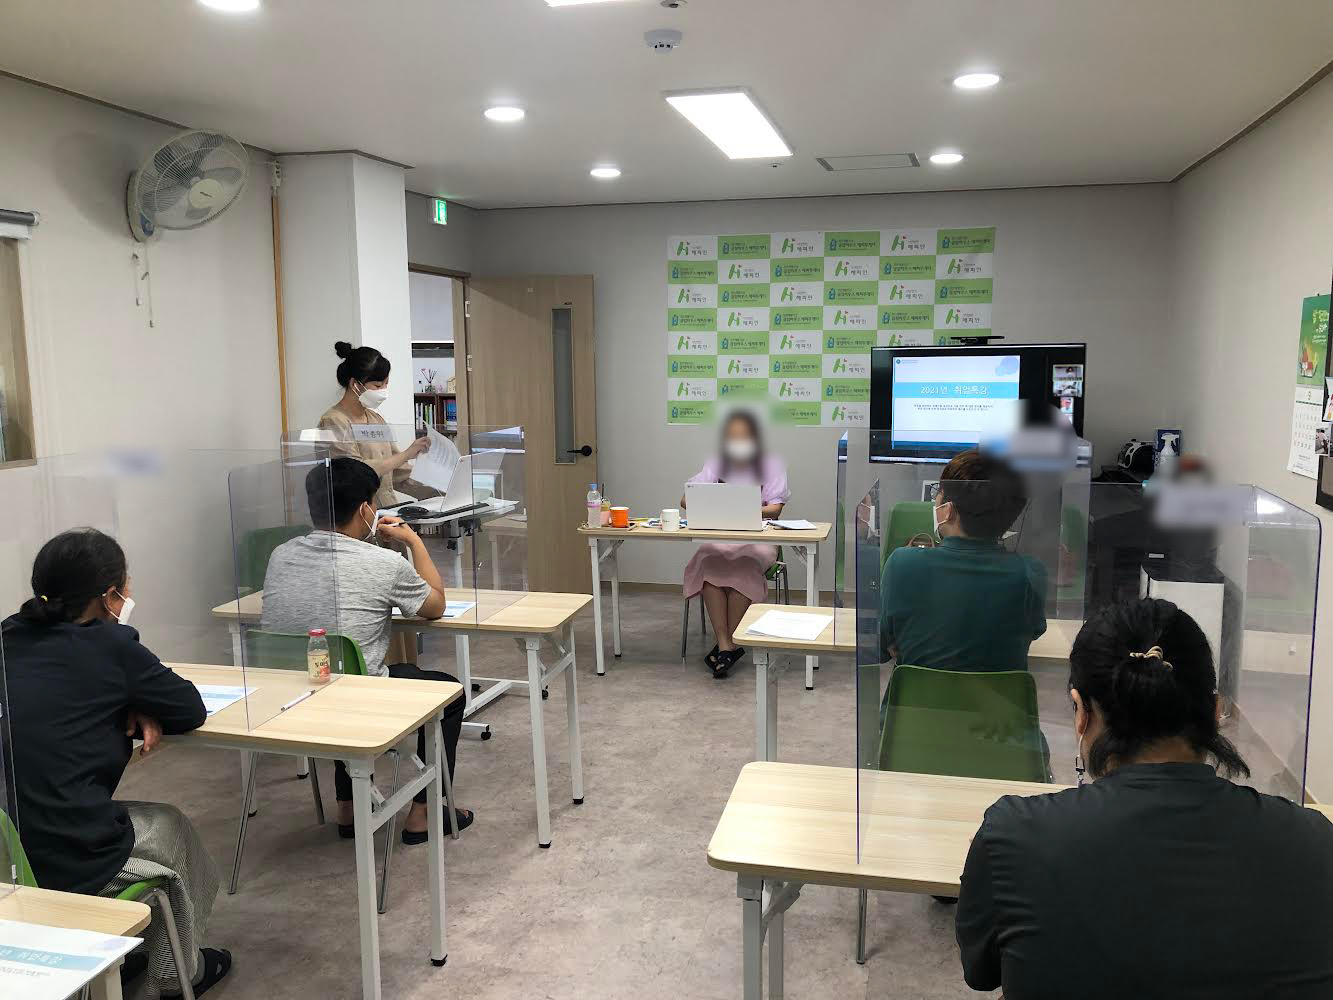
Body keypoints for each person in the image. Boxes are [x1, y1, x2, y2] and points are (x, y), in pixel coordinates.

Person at [955, 598, 1333, 999]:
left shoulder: (1014, 835)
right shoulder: (1315, 841)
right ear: (1215, 710)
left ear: (1081, 712)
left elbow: (981, 972)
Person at [2, 529, 231, 999]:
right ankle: (179, 973)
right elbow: (189, 709)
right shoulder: (112, 646)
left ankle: (124, 953)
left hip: (6, 847)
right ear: (109, 597)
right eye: (126, 587)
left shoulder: (8, 635)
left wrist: (127, 702)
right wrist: (136, 701)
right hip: (63, 852)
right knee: (169, 827)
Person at [261, 456, 473, 840]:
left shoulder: (281, 554)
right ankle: (424, 814)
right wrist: (412, 541)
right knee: (449, 693)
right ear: (365, 509)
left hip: (289, 697)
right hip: (355, 701)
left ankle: (349, 808)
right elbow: (435, 606)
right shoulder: (382, 562)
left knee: (341, 672)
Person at [880, 448, 1046, 673]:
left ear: (947, 510)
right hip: (999, 697)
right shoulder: (1030, 572)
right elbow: (1033, 631)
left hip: (916, 696)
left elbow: (881, 645)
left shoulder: (902, 564)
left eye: (939, 493)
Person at [680, 410, 789, 678]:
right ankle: (726, 644)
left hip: (757, 539)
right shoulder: (717, 463)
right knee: (710, 563)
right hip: (721, 537)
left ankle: (728, 644)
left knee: (742, 566)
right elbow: (687, 498)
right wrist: (703, 500)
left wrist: (744, 508)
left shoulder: (771, 465)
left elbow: (775, 509)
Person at [320, 340, 429, 511]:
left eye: (386, 384)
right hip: (356, 514)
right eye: (378, 385)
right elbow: (355, 473)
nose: (383, 391)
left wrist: (441, 488)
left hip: (387, 511)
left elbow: (398, 472)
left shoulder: (376, 419)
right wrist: (407, 454)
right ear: (355, 384)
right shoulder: (333, 421)